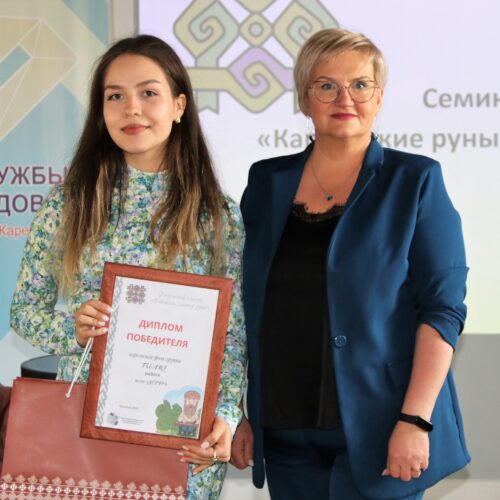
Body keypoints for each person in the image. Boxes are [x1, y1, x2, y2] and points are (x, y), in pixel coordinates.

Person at [233, 28, 469, 499]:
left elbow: (442, 310)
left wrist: (415, 419)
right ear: (305, 98)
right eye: (326, 85)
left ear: (379, 97)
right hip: (283, 432)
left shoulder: (415, 180)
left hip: (382, 430)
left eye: (360, 85)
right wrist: (241, 409)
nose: (345, 98)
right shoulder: (265, 182)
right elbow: (247, 306)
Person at [10, 34, 246, 500]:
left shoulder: (216, 213)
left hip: (182, 438)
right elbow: (23, 311)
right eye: (114, 96)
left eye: (148, 93)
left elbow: (232, 334)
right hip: (83, 436)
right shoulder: (71, 202)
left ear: (179, 106)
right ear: (101, 112)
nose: (131, 109)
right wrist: (74, 330)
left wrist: (226, 414)